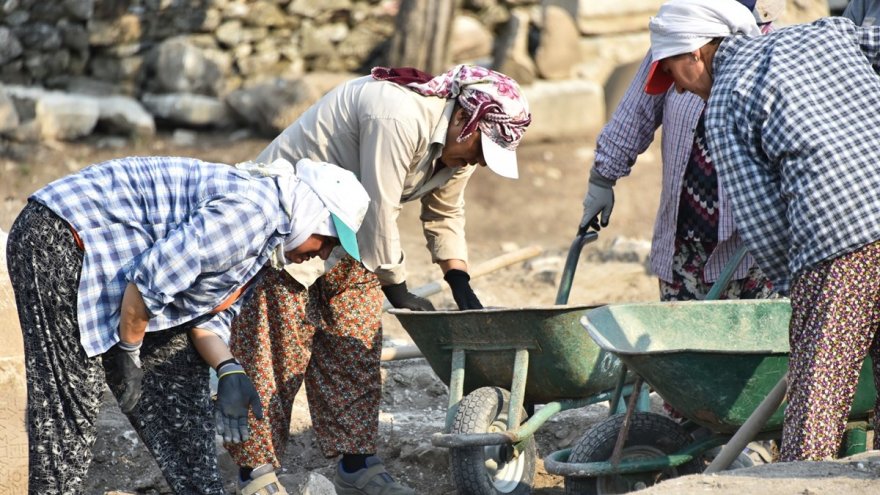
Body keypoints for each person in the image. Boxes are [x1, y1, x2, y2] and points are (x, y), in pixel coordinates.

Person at [224, 64, 531, 495]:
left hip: (350, 232)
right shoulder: (398, 115)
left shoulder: (462, 145)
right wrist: (399, 290)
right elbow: (380, 209)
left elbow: (445, 213)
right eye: (483, 148)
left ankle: (356, 465)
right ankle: (255, 471)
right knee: (277, 350)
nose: (480, 160)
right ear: (465, 118)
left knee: (356, 343)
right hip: (291, 230)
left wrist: (459, 281)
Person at [5, 155, 371, 494]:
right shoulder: (254, 214)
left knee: (181, 394)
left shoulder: (269, 241)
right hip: (62, 232)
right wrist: (129, 352)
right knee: (72, 402)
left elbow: (206, 318)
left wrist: (229, 369)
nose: (324, 253)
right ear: (311, 213)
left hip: (121, 272)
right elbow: (150, 283)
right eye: (327, 239)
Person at [644, 0, 880, 461]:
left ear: (695, 53)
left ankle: (799, 483)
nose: (678, 88)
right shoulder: (824, 33)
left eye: (671, 72)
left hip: (837, 242)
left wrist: (799, 289)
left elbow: (762, 219)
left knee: (817, 398)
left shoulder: (725, 101)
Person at [579, 0, 783, 305]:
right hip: (685, 240)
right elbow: (636, 112)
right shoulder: (679, 37)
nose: (679, 89)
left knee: (750, 331)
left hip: (753, 247)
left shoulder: (769, 57)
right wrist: (602, 178)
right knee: (682, 331)